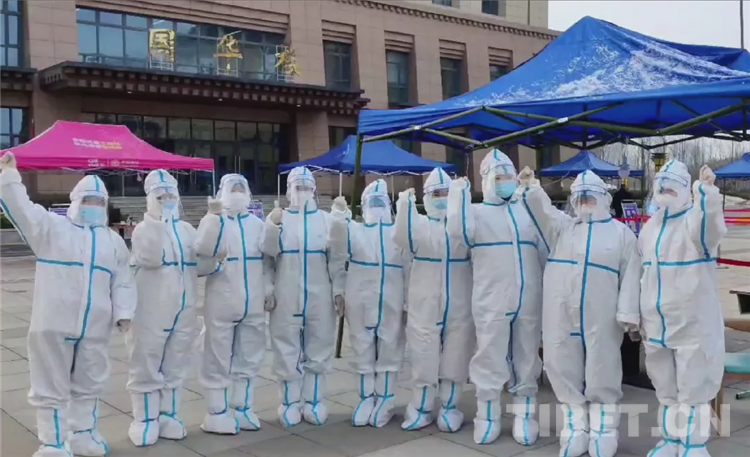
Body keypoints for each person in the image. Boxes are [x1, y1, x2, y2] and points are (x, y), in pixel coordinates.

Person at [0, 152, 135, 457]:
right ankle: (53, 443)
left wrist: (124, 312)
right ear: (75, 201)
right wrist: (9, 177)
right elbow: (22, 210)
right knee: (50, 384)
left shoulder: (112, 241)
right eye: (88, 200)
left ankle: (83, 435)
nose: (93, 206)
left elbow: (123, 279)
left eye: (99, 202)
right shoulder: (52, 229)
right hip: (53, 323)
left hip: (95, 326)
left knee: (90, 382)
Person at [518, 168, 641, 457]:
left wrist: (628, 312)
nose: (585, 202)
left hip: (602, 316)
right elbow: (542, 213)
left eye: (590, 196)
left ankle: (604, 430)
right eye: (580, 197)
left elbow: (632, 274)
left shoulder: (621, 234)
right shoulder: (563, 228)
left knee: (603, 369)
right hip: (561, 315)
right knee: (562, 366)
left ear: (603, 198)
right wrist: (532, 188)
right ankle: (574, 428)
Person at [445, 151, 545, 445]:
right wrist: (458, 198)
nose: (505, 182)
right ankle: (487, 416)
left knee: (527, 356)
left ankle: (525, 416)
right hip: (492, 299)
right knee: (489, 355)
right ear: (486, 179)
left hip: (529, 298)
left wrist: (534, 193)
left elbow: (548, 243)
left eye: (509, 176)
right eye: (498, 177)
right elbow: (458, 235)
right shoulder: (476, 214)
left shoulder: (526, 212)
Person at [639, 161, 726, 457]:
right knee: (666, 389)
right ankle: (670, 440)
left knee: (693, 388)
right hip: (656, 325)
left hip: (692, 325)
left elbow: (709, 229)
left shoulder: (693, 222)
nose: (665, 192)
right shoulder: (650, 228)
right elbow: (641, 272)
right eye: (661, 187)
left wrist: (707, 194)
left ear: (685, 189)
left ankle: (693, 445)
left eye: (671, 188)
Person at [126, 169, 218, 446]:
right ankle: (145, 418)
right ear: (150, 198)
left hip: (184, 309)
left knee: (176, 362)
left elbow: (199, 264)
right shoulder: (144, 229)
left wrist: (214, 239)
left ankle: (169, 415)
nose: (167, 200)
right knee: (146, 361)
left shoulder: (186, 229)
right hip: (150, 309)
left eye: (171, 195)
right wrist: (158, 222)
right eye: (160, 196)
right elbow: (151, 257)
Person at [260, 166, 348, 427]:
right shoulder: (278, 219)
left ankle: (314, 400)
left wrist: (339, 290)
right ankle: (289, 402)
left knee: (319, 345)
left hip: (319, 295)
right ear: (289, 190)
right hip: (286, 294)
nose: (303, 192)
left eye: (308, 187)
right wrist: (268, 289)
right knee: (286, 346)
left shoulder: (326, 221)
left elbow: (337, 259)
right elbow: (267, 258)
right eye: (298, 187)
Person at [392, 167, 474, 433]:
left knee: (456, 354)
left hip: (460, 299)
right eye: (436, 194)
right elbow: (400, 237)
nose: (441, 198)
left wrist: (462, 199)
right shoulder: (419, 225)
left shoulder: (461, 226)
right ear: (426, 197)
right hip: (424, 300)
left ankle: (451, 407)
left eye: (445, 193)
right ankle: (421, 407)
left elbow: (472, 239)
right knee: (423, 353)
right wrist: (404, 206)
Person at [195, 174, 274, 434]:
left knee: (249, 356)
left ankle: (243, 408)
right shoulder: (214, 222)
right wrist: (212, 221)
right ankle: (216, 412)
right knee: (216, 357)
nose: (238, 193)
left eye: (242, 188)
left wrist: (268, 288)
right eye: (233, 189)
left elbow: (267, 262)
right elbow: (200, 261)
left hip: (253, 304)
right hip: (222, 301)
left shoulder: (257, 224)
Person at [329, 179, 411, 427]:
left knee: (390, 346)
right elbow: (338, 251)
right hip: (360, 298)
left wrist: (409, 300)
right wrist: (339, 215)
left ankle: (385, 398)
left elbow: (410, 267)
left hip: (392, 297)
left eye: (381, 202)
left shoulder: (398, 234)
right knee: (362, 345)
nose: (376, 207)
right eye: (371, 202)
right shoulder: (356, 231)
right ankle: (366, 397)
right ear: (363, 206)